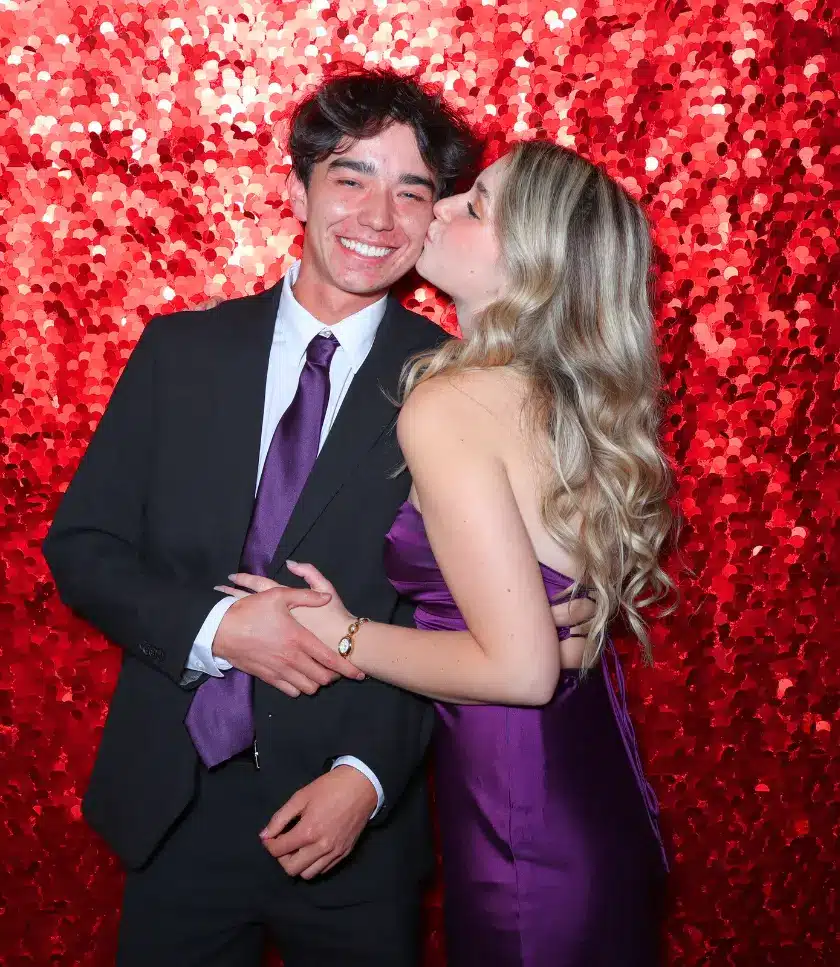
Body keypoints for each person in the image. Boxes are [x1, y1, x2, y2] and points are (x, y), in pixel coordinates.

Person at [43, 71, 592, 967]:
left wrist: (365, 778)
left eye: (411, 191)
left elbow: (451, 619)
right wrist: (220, 629)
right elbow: (83, 548)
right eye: (352, 177)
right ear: (297, 190)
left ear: (435, 217)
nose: (379, 215)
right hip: (175, 798)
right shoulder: (179, 352)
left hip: (357, 824)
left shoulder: (460, 384)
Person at [225, 141, 674, 966]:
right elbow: (552, 631)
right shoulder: (554, 392)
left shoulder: (451, 401)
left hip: (524, 822)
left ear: (531, 259)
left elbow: (520, 672)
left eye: (476, 206)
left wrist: (345, 632)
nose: (439, 209)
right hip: (590, 791)